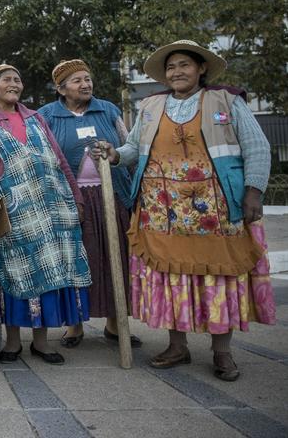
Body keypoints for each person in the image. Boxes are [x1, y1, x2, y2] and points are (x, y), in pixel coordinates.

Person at [93, 40, 275, 381]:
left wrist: (254, 192)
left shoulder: (226, 101)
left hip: (216, 212)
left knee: (219, 277)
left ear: (201, 68)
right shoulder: (150, 106)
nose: (177, 72)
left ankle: (222, 352)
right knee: (170, 277)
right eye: (171, 67)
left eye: (184, 65)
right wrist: (114, 155)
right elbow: (134, 147)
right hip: (161, 212)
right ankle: (177, 346)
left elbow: (256, 146)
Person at [0, 64, 91, 365]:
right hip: (12, 213)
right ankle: (13, 342)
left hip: (51, 208)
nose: (14, 83)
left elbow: (59, 161)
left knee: (50, 272)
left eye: (18, 79)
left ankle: (42, 343)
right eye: (6, 79)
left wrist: (78, 198)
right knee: (13, 272)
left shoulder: (35, 118)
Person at [38, 60, 141, 349]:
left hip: (111, 197)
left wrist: (134, 195)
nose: (85, 84)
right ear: (61, 88)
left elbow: (128, 148)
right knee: (76, 260)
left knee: (114, 259)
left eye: (88, 79)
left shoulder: (107, 110)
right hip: (72, 203)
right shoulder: (48, 116)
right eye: (77, 81)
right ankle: (75, 325)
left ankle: (115, 323)